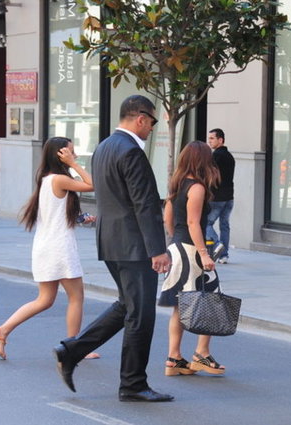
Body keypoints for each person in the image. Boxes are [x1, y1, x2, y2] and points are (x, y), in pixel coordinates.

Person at [53, 95, 173, 402]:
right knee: (141, 315)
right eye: (152, 122)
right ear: (141, 119)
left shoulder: (104, 147)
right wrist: (158, 249)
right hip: (134, 245)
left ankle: (72, 350)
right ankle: (132, 384)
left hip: (111, 241)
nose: (152, 128)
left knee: (127, 306)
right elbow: (144, 203)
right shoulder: (131, 151)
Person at [0, 137, 99, 360]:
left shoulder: (47, 180)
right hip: (59, 247)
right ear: (61, 155)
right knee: (76, 297)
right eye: (71, 151)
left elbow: (56, 214)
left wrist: (79, 218)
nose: (75, 154)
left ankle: (2, 331)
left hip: (46, 245)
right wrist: (74, 165)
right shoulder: (59, 179)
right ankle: (73, 348)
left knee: (45, 300)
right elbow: (92, 185)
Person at [159, 141, 225, 376]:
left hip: (177, 248)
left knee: (180, 305)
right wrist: (204, 253)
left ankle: (174, 358)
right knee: (211, 300)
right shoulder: (197, 187)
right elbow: (193, 222)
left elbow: (168, 218)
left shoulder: (176, 184)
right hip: (191, 250)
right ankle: (201, 354)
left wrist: (174, 242)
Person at [206, 128, 235, 263]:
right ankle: (224, 256)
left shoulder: (215, 157)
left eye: (212, 138)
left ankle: (219, 246)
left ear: (220, 140)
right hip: (229, 197)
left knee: (206, 223)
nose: (209, 141)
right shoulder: (230, 156)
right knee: (224, 225)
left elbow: (210, 177)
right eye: (209, 138)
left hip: (217, 197)